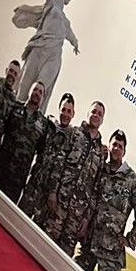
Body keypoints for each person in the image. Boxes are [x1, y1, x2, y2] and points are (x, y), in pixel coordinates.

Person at [77, 130, 136, 271]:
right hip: (89, 243)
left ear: (124, 151)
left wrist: (130, 239)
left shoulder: (132, 182)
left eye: (120, 146)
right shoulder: (101, 170)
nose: (116, 148)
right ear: (109, 147)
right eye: (114, 144)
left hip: (110, 253)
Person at [46, 100, 106, 255]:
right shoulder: (74, 134)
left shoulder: (100, 152)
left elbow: (96, 188)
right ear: (88, 113)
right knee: (44, 244)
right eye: (94, 112)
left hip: (76, 217)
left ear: (102, 119)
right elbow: (59, 163)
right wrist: (52, 192)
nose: (96, 115)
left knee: (63, 257)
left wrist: (87, 218)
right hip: (59, 204)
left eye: (99, 114)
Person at [20, 91, 76, 221]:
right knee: (19, 219)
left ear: (73, 114)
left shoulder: (73, 138)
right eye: (63, 110)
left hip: (49, 195)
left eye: (69, 111)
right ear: (59, 109)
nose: (65, 114)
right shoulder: (48, 126)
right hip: (33, 185)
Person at [0, 80, 46, 201]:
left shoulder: (43, 124)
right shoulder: (15, 107)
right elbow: (0, 130)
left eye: (40, 92)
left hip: (17, 179)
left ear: (43, 97)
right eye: (35, 90)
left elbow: (41, 153)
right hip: (0, 168)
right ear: (29, 92)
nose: (37, 93)